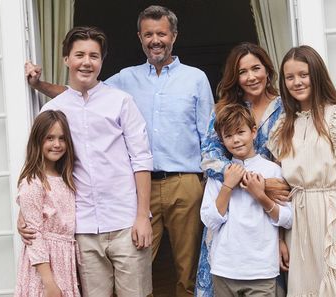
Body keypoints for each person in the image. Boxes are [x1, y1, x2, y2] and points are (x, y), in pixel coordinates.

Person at [24, 6, 214, 296]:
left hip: (173, 187)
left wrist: (207, 183)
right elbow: (77, 92)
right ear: (139, 37)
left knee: (184, 273)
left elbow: (205, 135)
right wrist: (37, 84)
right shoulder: (120, 82)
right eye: (148, 34)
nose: (155, 40)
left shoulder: (188, 80)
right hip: (92, 218)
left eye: (161, 33)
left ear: (173, 36)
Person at [195, 42, 336, 297]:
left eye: (256, 68)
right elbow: (210, 158)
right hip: (259, 218)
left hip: (297, 213)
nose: (251, 76)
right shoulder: (245, 115)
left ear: (267, 71)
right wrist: (257, 183)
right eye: (242, 71)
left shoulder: (287, 112)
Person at [23, 26, 154, 297]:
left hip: (125, 222)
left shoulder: (121, 102)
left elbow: (141, 159)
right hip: (82, 229)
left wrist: (143, 216)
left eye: (94, 56)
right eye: (79, 54)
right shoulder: (52, 110)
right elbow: (39, 166)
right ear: (66, 59)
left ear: (101, 61)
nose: (86, 62)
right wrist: (24, 215)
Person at [267, 45, 336, 296]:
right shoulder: (282, 127)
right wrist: (280, 238)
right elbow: (282, 190)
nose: (297, 82)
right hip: (299, 226)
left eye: (303, 74)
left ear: (316, 74)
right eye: (290, 77)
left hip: (335, 219)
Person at [200, 103, 292, 297]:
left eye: (240, 132)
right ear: (222, 141)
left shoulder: (273, 171)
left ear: (253, 131)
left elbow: (288, 219)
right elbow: (209, 220)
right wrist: (227, 186)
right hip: (224, 268)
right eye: (228, 136)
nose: (236, 140)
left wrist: (260, 195)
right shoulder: (220, 175)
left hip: (261, 270)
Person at [14, 110, 79, 297]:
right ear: (37, 140)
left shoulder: (65, 178)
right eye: (49, 138)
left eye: (62, 138)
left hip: (65, 263)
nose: (57, 144)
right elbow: (35, 236)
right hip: (44, 269)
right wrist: (49, 283)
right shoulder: (33, 182)